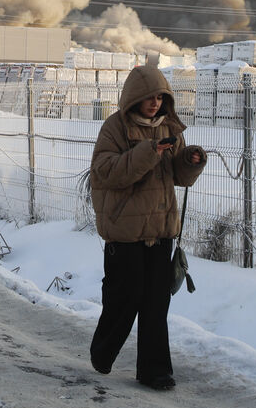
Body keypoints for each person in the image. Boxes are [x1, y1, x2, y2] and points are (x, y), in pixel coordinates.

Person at [88, 58, 206, 390]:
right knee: (124, 299)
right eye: (150, 96)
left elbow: (179, 178)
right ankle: (103, 351)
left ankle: (155, 372)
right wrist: (149, 151)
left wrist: (190, 160)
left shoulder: (170, 127)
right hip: (124, 230)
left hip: (160, 229)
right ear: (135, 96)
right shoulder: (115, 127)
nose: (156, 103)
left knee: (156, 303)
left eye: (161, 97)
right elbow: (106, 171)